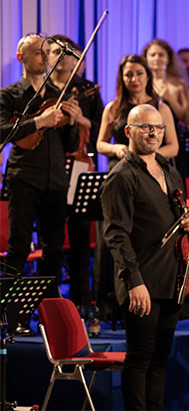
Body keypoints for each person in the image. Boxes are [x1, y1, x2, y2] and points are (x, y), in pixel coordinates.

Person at [101, 104, 189, 410]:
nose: (153, 132)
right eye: (145, 127)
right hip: (141, 281)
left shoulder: (170, 172)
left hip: (171, 279)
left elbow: (176, 220)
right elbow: (116, 235)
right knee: (140, 359)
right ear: (129, 132)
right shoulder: (121, 177)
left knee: (159, 360)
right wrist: (134, 282)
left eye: (158, 127)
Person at [0, 33, 82, 326]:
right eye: (38, 51)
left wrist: (72, 121)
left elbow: (71, 144)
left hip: (55, 180)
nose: (45, 56)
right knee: (19, 247)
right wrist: (38, 121)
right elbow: (2, 133)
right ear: (21, 57)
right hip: (23, 177)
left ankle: (50, 317)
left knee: (54, 250)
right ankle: (12, 318)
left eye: (46, 51)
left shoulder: (59, 93)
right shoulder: (9, 95)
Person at [50, 34, 105, 311]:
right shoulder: (43, 89)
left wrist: (80, 119)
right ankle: (50, 302)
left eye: (70, 54)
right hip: (50, 167)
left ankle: (82, 301)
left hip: (81, 164)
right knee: (52, 238)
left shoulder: (87, 90)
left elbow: (102, 128)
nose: (64, 59)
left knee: (81, 235)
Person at [96, 54, 178, 170]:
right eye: (128, 75)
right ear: (122, 78)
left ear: (147, 76)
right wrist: (115, 148)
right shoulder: (112, 108)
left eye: (139, 73)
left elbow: (173, 147)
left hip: (152, 168)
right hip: (121, 168)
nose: (134, 79)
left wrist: (148, 156)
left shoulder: (161, 108)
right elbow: (100, 144)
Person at [142, 39, 189, 132]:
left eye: (161, 55)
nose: (157, 58)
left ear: (168, 58)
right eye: (153, 55)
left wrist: (170, 98)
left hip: (172, 135)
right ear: (146, 58)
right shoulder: (141, 82)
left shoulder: (179, 83)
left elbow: (187, 119)